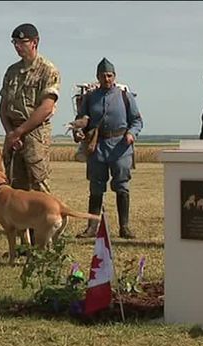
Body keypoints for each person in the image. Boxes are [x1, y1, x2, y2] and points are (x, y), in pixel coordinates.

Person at [69, 58, 143, 239]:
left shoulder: (125, 96)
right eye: (103, 76)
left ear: (115, 76)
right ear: (97, 77)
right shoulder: (89, 98)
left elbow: (137, 120)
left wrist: (131, 134)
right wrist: (78, 132)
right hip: (97, 147)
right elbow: (82, 121)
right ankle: (92, 227)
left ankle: (124, 227)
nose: (107, 79)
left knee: (121, 186)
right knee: (96, 188)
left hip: (120, 147)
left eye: (109, 75)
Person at [0, 23, 60, 194]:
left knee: (39, 183)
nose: (17, 46)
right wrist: (11, 133)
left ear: (35, 42)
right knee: (15, 185)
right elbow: (3, 107)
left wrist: (18, 132)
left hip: (35, 133)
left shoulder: (47, 70)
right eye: (14, 42)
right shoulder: (12, 71)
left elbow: (46, 108)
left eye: (22, 42)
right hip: (13, 133)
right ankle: (21, 221)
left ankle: (47, 220)